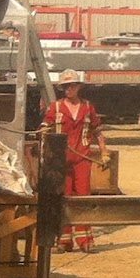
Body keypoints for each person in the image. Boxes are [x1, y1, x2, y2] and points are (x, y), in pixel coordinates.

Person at [41, 71, 107, 252]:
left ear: (79, 87)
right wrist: (43, 134)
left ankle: (85, 240)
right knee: (64, 197)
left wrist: (104, 152)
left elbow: (97, 131)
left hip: (82, 159)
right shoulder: (55, 107)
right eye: (65, 86)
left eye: (72, 85)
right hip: (61, 159)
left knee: (83, 197)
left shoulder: (88, 107)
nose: (68, 89)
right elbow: (44, 127)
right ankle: (64, 240)